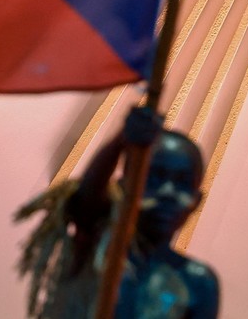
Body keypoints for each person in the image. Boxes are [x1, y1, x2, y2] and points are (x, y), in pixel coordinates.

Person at [18, 105, 219, 318]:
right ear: (124, 186)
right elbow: (88, 199)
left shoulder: (197, 281)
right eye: (154, 177)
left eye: (182, 183)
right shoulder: (96, 248)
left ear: (197, 201)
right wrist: (122, 140)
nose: (168, 193)